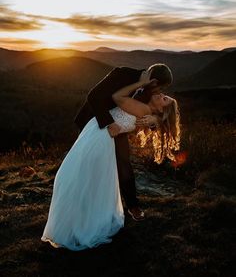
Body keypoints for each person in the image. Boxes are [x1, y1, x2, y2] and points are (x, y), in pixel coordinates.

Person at [41, 76, 179, 251]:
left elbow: (118, 98)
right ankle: (85, 219)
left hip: (100, 135)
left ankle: (79, 221)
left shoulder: (144, 110)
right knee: (88, 178)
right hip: (101, 133)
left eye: (164, 99)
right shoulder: (147, 114)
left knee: (75, 175)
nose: (161, 95)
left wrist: (138, 83)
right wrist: (156, 119)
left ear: (162, 109)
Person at [74, 63, 173, 221]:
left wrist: (154, 120)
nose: (160, 92)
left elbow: (152, 109)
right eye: (159, 88)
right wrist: (109, 123)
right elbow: (93, 96)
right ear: (153, 81)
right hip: (95, 121)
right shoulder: (122, 74)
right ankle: (84, 203)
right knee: (89, 163)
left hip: (119, 127)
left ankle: (133, 206)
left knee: (124, 163)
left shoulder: (149, 89)